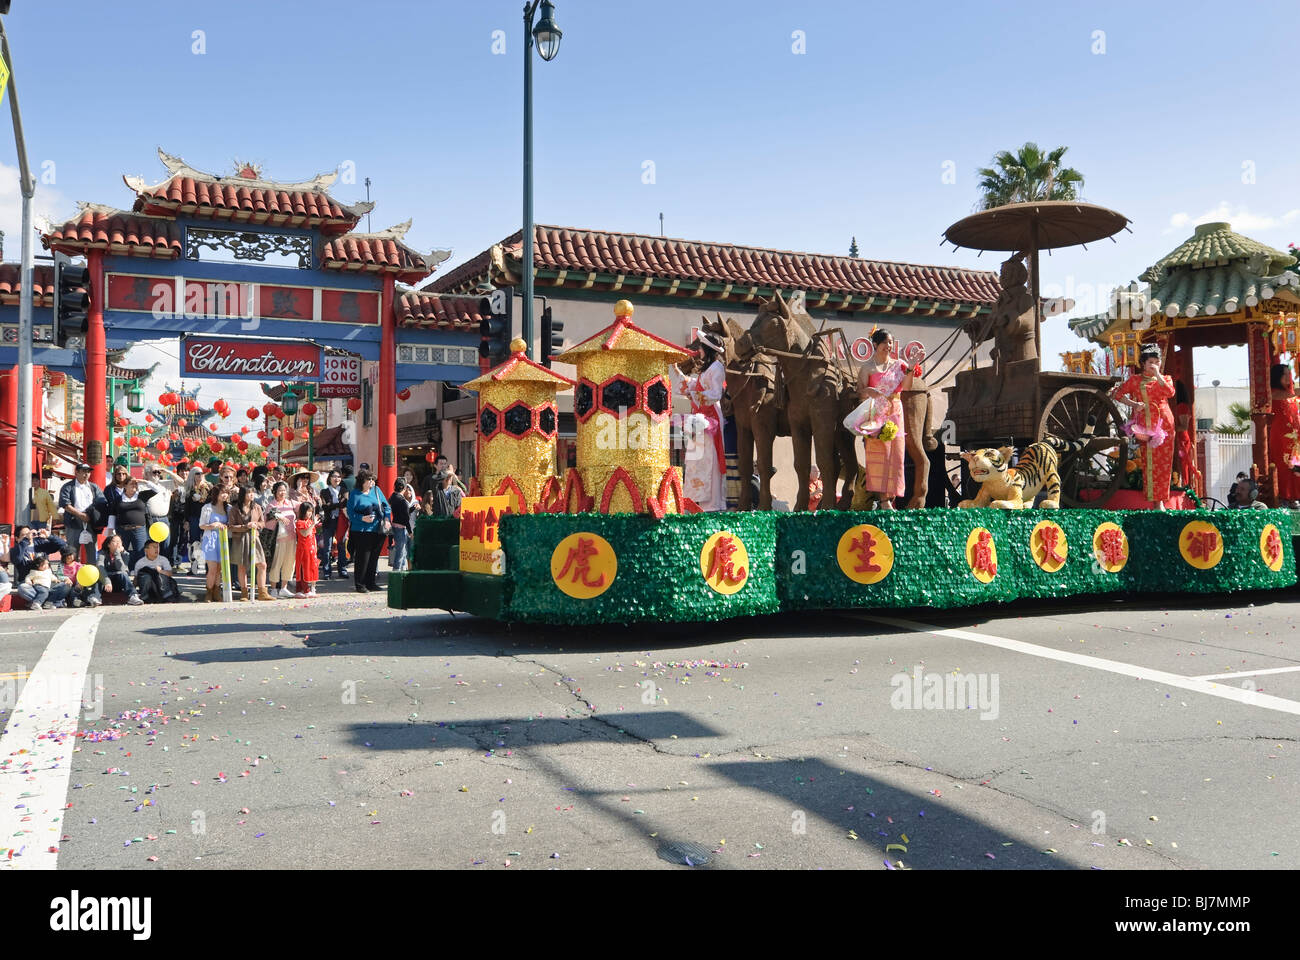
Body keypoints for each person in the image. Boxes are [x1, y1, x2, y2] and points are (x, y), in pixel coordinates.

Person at [853, 329, 916, 509]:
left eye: (890, 342)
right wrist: (868, 392)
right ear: (875, 344)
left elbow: (906, 386)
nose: (888, 346)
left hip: (895, 413)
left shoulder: (898, 365)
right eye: (885, 342)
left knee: (895, 457)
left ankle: (891, 498)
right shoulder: (867, 368)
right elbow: (859, 392)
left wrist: (910, 368)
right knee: (879, 456)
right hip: (876, 414)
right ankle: (882, 500)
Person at [1112, 343, 1176, 509]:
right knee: (1149, 462)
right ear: (1143, 364)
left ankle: (1161, 501)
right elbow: (1117, 394)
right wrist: (1134, 404)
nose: (1154, 365)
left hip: (1165, 425)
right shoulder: (1135, 380)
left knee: (1164, 463)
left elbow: (1170, 392)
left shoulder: (1166, 378)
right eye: (1150, 362)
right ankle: (1153, 501)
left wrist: (1158, 375)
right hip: (1145, 426)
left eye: (1157, 361)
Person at [679, 334, 727, 511]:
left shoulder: (717, 367)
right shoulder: (706, 369)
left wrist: (694, 394)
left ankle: (713, 503)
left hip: (710, 417)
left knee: (710, 459)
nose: (698, 351)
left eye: (700, 348)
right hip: (698, 416)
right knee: (697, 458)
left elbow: (715, 394)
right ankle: (696, 499)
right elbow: (699, 387)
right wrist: (689, 386)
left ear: (707, 350)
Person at [346, 469, 391, 593]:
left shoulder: (377, 491)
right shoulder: (355, 494)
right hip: (361, 530)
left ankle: (371, 583)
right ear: (362, 481)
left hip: (377, 529)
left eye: (372, 479)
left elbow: (387, 506)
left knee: (373, 558)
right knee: (362, 558)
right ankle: (360, 584)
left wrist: (387, 519)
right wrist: (362, 518)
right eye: (369, 479)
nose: (371, 481)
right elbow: (350, 513)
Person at [57, 462, 109, 565]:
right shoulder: (68, 487)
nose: (86, 474)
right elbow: (65, 504)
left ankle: (93, 576)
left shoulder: (94, 487)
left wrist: (92, 514)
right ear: (76, 472)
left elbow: (102, 501)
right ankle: (72, 576)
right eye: (83, 472)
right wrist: (80, 515)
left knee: (92, 551)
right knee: (72, 551)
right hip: (73, 521)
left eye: (88, 472)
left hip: (90, 521)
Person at [109, 475, 163, 569]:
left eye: (135, 484)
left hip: (139, 530)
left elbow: (158, 490)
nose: (134, 485)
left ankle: (140, 573)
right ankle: (122, 571)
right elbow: (112, 514)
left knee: (140, 552)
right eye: (131, 484)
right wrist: (110, 529)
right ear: (125, 486)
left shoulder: (142, 496)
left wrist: (145, 482)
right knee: (121, 551)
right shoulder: (118, 498)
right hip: (122, 530)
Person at [1269, 363, 1300, 508]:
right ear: (1277, 377)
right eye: (1285, 374)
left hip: (1295, 437)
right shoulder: (1273, 392)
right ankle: (1285, 497)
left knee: (1296, 466)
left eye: (1290, 373)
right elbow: (1289, 395)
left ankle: (1295, 496)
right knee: (1284, 465)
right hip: (1281, 436)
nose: (1289, 377)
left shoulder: (1291, 393)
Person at [265, 481, 298, 599]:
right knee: (276, 563)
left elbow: (305, 506)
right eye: (280, 490)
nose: (282, 493)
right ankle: (273, 588)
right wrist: (278, 516)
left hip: (292, 538)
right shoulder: (272, 505)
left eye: (284, 490)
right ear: (274, 492)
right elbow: (268, 516)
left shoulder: (291, 503)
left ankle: (284, 588)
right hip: (278, 540)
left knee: (289, 562)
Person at [198, 485, 230, 602]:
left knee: (219, 569)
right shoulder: (207, 507)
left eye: (226, 493)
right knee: (212, 568)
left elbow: (231, 524)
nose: (224, 495)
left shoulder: (229, 508)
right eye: (222, 493)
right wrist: (212, 526)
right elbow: (201, 525)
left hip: (223, 540)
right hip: (210, 540)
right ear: (216, 494)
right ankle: (209, 592)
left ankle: (217, 591)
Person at [317, 469, 348, 580]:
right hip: (329, 521)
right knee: (327, 548)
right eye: (334, 476)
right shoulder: (324, 491)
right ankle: (326, 571)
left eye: (339, 476)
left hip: (341, 521)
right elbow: (325, 506)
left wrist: (332, 505)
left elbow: (344, 503)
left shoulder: (344, 490)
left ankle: (342, 570)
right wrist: (337, 505)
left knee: (341, 546)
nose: (337, 479)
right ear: (329, 478)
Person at [98, 534, 143, 605]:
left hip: (119, 581)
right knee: (97, 574)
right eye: (115, 541)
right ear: (108, 545)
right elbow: (100, 567)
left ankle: (133, 596)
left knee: (123, 574)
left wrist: (117, 554)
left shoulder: (125, 554)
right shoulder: (102, 553)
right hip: (106, 583)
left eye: (119, 541)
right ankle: (95, 597)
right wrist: (107, 581)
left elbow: (122, 569)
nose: (118, 543)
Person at [293, 502, 320, 598]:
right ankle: (303, 589)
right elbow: (304, 533)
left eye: (311, 511)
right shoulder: (299, 522)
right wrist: (313, 524)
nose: (310, 513)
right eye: (308, 511)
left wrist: (316, 548)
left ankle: (311, 589)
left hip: (311, 549)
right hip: (303, 549)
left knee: (312, 568)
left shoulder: (309, 522)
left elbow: (313, 536)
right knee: (303, 569)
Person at [389, 480, 413, 572]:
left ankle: (402, 569)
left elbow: (402, 513)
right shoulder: (402, 500)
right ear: (404, 488)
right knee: (401, 551)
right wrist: (410, 532)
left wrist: (412, 508)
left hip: (395, 525)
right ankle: (397, 571)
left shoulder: (393, 497)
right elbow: (405, 518)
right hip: (401, 528)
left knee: (401, 550)